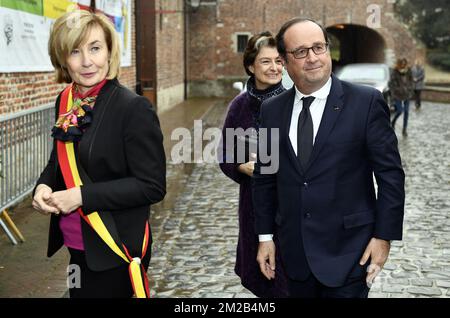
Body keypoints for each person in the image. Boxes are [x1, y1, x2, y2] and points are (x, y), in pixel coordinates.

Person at [252, 18, 405, 298]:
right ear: (285, 61)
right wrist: (265, 238)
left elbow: (390, 175)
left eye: (319, 48)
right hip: (293, 254)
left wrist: (384, 236)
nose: (312, 58)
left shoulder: (366, 102)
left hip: (350, 252)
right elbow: (264, 177)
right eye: (300, 52)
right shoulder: (272, 110)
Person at [32, 10, 166, 298]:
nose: (87, 61)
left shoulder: (133, 109)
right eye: (75, 52)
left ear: (109, 51)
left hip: (114, 249)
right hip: (75, 246)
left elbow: (152, 186)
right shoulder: (66, 99)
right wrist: (43, 185)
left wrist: (80, 196)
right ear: (62, 59)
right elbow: (61, 158)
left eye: (95, 48)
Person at [219, 31, 289, 297]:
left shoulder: (293, 101)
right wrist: (240, 166)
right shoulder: (239, 106)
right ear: (251, 66)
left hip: (290, 203)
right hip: (254, 204)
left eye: (278, 61)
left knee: (289, 277)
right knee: (263, 279)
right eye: (266, 62)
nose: (274, 68)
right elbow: (225, 152)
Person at [389, 58, 414, 137]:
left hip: (407, 94)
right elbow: (391, 84)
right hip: (398, 95)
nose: (403, 65)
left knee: (406, 112)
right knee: (400, 111)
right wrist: (398, 90)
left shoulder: (408, 71)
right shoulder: (395, 72)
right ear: (399, 64)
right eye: (402, 64)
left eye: (405, 64)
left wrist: (409, 89)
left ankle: (404, 129)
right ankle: (393, 122)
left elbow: (411, 81)